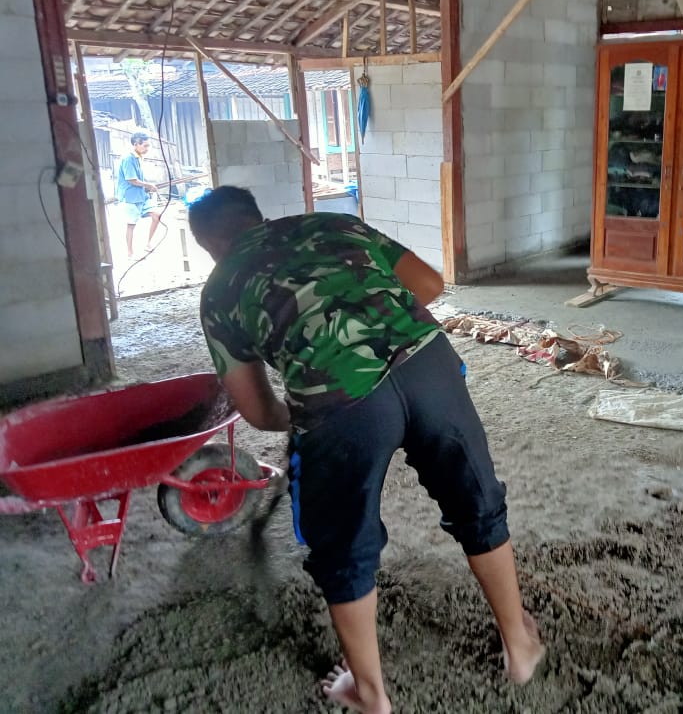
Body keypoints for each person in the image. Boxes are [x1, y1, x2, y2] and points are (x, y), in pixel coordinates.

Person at [188, 186, 545, 714]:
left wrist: (302, 415)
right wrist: (373, 316)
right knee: (477, 500)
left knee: (343, 545)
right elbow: (430, 283)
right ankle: (520, 646)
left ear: (208, 245)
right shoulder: (332, 224)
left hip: (336, 401)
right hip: (428, 365)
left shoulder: (219, 290)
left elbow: (258, 409)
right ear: (257, 216)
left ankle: (370, 693)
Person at [116, 131, 162, 259]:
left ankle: (148, 243)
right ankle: (130, 253)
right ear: (136, 144)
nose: (147, 148)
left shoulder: (138, 157)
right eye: (145, 146)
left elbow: (138, 179)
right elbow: (132, 180)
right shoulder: (128, 158)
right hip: (129, 196)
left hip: (141, 195)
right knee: (131, 225)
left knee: (156, 216)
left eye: (148, 146)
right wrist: (149, 185)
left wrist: (147, 187)